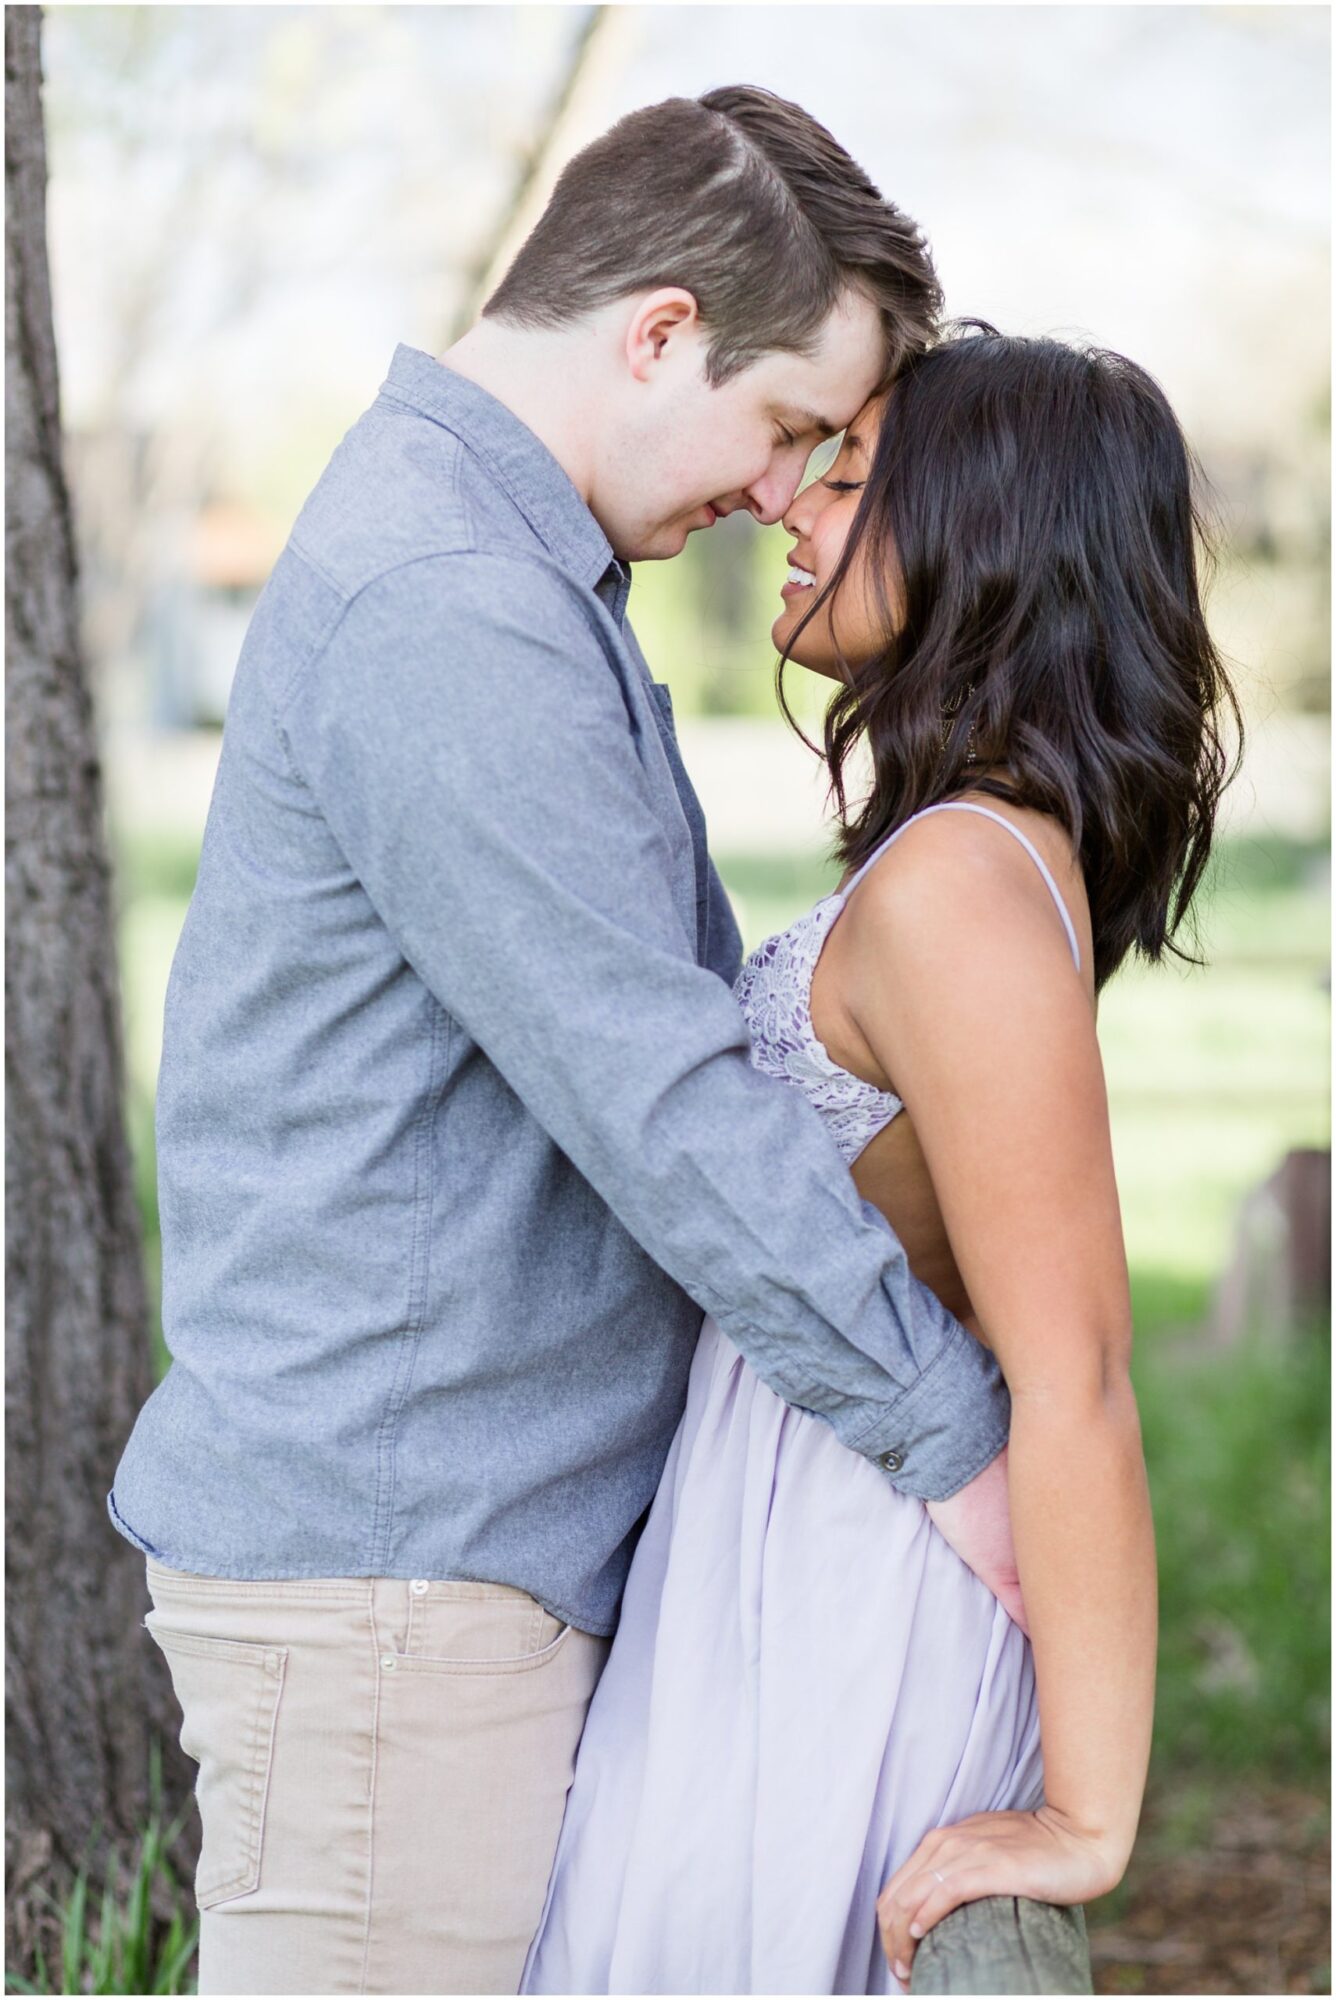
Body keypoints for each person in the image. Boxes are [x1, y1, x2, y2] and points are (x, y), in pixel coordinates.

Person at [108, 90, 1025, 1996]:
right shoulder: (452, 606)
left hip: (432, 1585)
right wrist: (957, 1444)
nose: (783, 497)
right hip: (395, 1600)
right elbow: (657, 1095)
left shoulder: (506, 574)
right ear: (660, 332)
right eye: (785, 428)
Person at [520, 326, 1242, 1995]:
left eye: (847, 480)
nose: (789, 505)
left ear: (984, 543)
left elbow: (1078, 1371)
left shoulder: (961, 892)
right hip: (774, 1552)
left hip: (843, 1589)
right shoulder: (968, 857)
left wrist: (1089, 1812)